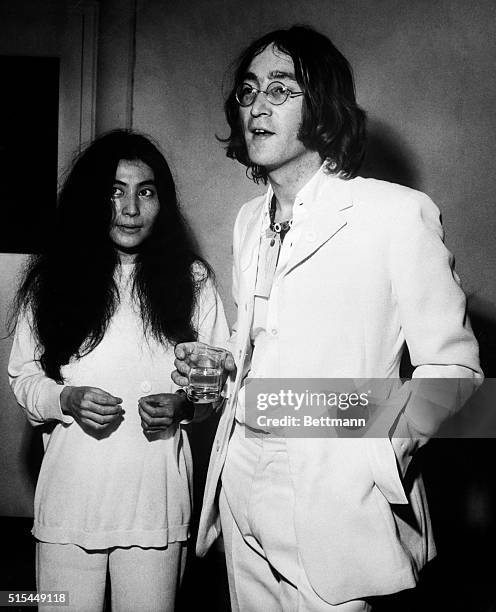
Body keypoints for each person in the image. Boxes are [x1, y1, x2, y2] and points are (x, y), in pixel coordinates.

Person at [172, 25, 483, 611]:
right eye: (248, 90)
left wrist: (378, 455)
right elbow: (271, 341)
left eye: (281, 90)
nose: (257, 106)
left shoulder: (395, 214)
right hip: (240, 471)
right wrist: (224, 365)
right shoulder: (247, 220)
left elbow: (456, 369)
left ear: (323, 106)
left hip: (336, 492)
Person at [8, 130, 229, 611]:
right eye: (114, 191)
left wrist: (183, 406)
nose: (130, 208)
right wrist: (64, 400)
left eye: (145, 191)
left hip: (156, 508)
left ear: (161, 201)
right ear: (92, 198)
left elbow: (216, 386)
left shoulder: (194, 280)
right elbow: (23, 378)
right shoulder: (51, 281)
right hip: (69, 507)